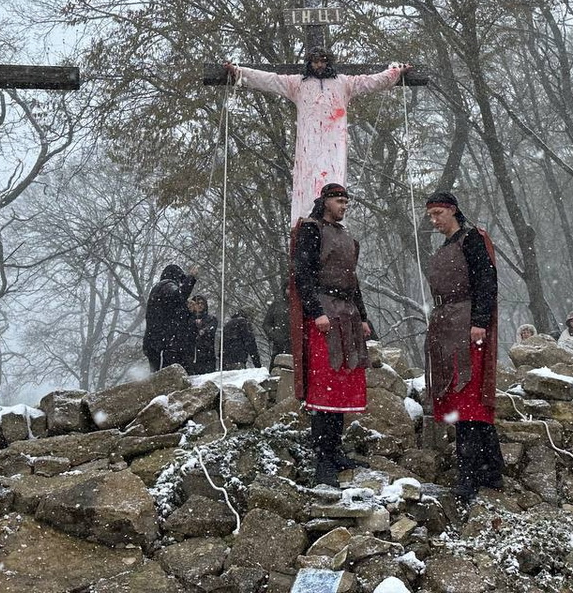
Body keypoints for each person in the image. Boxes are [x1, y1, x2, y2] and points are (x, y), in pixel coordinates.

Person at [226, 50, 408, 222]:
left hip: (334, 143)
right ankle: (307, 220)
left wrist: (394, 72)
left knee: (334, 180)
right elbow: (270, 80)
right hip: (308, 143)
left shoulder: (344, 83)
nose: (319, 65)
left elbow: (371, 81)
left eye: (323, 61)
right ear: (309, 63)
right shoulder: (297, 84)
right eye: (315, 61)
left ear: (329, 62)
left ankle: (331, 220)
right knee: (307, 183)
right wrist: (240, 73)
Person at [423, 191, 505, 502]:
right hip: (446, 324)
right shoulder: (445, 246)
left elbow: (486, 281)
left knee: (468, 401)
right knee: (461, 399)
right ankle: (491, 468)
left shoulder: (471, 240)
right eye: (430, 216)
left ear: (453, 211)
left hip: (467, 323)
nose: (434, 221)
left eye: (438, 215)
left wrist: (479, 321)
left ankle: (469, 475)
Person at [293, 183, 372, 487]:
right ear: (325, 202)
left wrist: (363, 317)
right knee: (325, 385)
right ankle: (323, 459)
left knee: (342, 382)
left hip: (348, 313)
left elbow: (354, 281)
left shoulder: (347, 237)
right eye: (339, 201)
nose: (343, 206)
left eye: (346, 201)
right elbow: (302, 274)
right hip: (325, 312)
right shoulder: (311, 230)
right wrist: (316, 311)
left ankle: (336, 449)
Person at [142, 264, 198, 372]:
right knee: (164, 374)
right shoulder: (167, 285)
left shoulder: (157, 291)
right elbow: (178, 295)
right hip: (161, 341)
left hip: (152, 340)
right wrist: (191, 278)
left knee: (155, 373)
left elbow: (171, 308)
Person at [186, 294, 218, 375]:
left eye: (202, 303)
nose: (199, 305)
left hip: (207, 357)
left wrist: (202, 328)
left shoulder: (211, 319)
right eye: (197, 303)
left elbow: (210, 331)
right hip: (190, 356)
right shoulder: (188, 319)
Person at [263, 282, 291, 361]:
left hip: (298, 346)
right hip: (279, 346)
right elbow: (266, 324)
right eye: (289, 289)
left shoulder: (301, 304)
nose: (291, 291)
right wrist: (275, 336)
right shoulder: (277, 304)